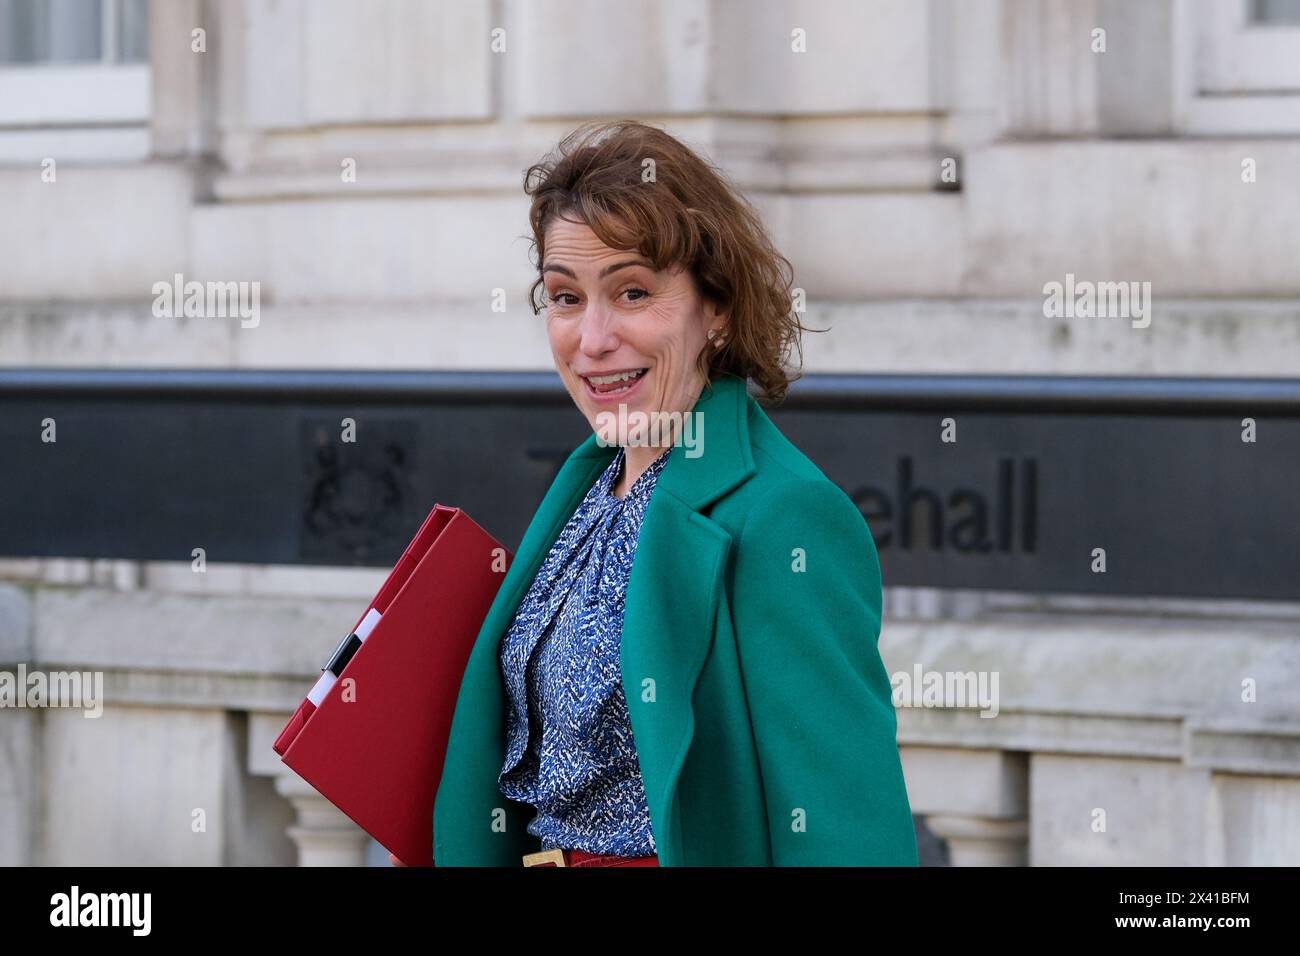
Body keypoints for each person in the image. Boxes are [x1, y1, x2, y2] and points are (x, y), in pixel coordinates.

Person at [413, 119, 917, 867]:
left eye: (634, 291)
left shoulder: (786, 515)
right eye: (565, 297)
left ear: (714, 308)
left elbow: (846, 829)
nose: (593, 338)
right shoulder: (590, 483)